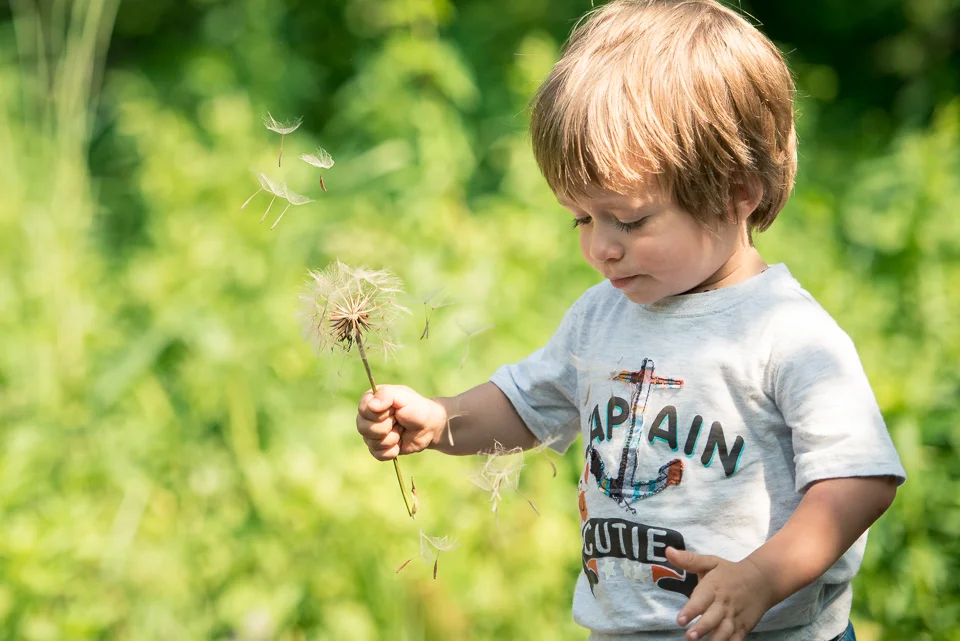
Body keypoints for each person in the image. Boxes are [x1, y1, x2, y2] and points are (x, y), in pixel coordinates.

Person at [355, 1, 906, 639]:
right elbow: (530, 403)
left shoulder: (784, 332)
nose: (601, 249)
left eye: (632, 220)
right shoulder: (602, 316)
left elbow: (860, 479)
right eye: (581, 219)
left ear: (736, 192)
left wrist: (763, 575)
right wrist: (441, 419)